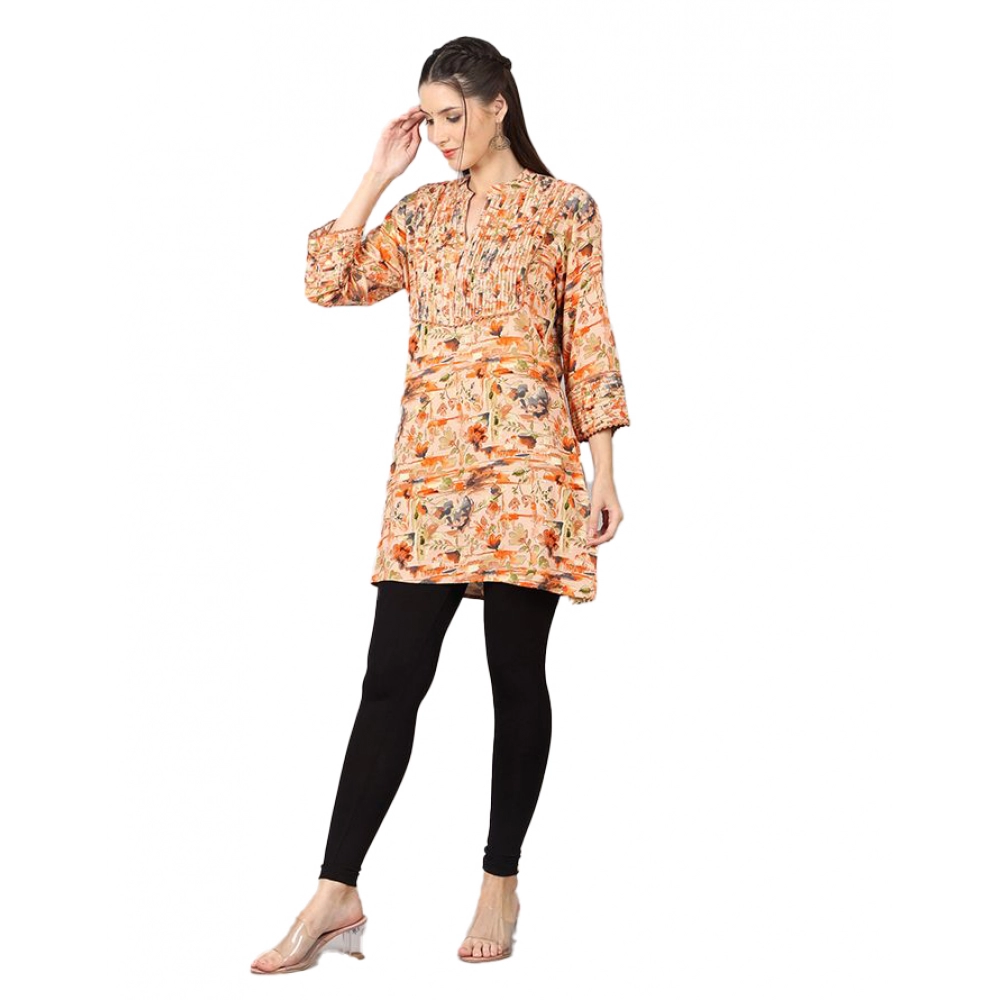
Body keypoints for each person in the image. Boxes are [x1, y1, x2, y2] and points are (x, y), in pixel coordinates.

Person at [251, 35, 630, 973]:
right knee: (390, 680)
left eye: (453, 116)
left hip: (530, 475)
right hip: (432, 476)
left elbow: (588, 341)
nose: (442, 135)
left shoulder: (566, 209)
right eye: (430, 119)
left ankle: (500, 880)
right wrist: (378, 174)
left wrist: (604, 472)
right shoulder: (421, 214)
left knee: (515, 676)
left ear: (499, 105)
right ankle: (336, 890)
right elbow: (327, 282)